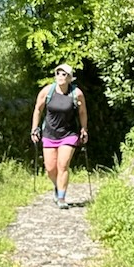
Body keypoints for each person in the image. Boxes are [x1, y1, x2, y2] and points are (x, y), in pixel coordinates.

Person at [31, 63, 88, 208]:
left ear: (70, 78)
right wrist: (34, 129)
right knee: (50, 169)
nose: (61, 76)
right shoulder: (47, 91)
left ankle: (61, 198)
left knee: (63, 165)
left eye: (64, 74)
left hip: (69, 134)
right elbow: (38, 110)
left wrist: (84, 129)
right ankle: (58, 186)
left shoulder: (76, 93)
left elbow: (82, 112)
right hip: (49, 134)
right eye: (58, 73)